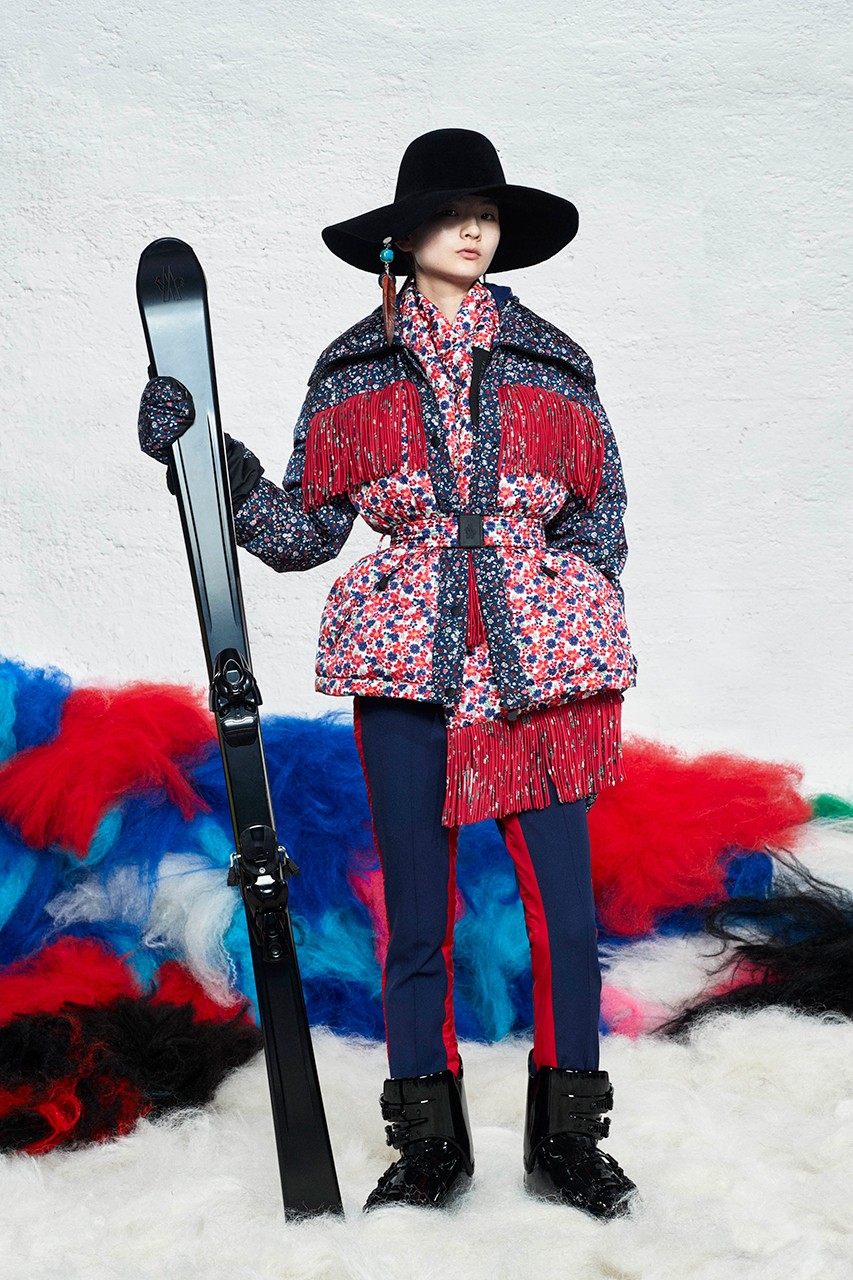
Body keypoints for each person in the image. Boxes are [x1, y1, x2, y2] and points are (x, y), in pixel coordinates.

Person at [138, 128, 639, 1218]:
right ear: (401, 236)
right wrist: (204, 463)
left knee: (566, 918)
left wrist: (571, 603)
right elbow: (301, 534)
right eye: (453, 212)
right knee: (416, 916)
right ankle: (427, 1146)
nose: (474, 230)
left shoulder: (555, 357)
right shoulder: (351, 370)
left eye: (488, 214)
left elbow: (600, 509)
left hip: (546, 668)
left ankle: (567, 1141)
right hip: (406, 660)